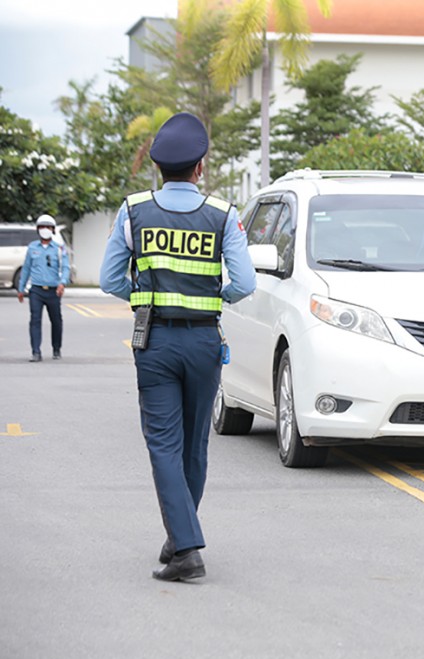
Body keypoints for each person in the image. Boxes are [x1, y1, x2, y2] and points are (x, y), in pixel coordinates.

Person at [100, 112, 257, 582]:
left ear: (158, 168)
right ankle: (179, 536)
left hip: (155, 342)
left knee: (164, 445)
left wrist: (142, 299)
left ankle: (186, 546)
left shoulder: (133, 211)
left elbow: (109, 279)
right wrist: (214, 298)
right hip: (205, 339)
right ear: (200, 167)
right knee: (193, 445)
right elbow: (244, 282)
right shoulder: (224, 215)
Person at [17, 214, 71, 362]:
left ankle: (56, 348)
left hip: (53, 290)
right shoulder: (32, 247)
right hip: (36, 290)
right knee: (35, 320)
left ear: (53, 229)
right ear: (37, 229)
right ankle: (36, 351)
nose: (45, 230)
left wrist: (62, 282)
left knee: (56, 320)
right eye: (42, 227)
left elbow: (65, 267)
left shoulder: (59, 248)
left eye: (48, 227)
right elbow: (26, 268)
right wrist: (21, 289)